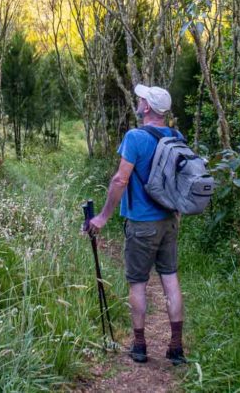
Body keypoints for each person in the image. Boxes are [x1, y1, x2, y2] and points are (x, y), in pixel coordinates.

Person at [85, 84, 186, 365]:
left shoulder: (135, 137)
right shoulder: (177, 136)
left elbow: (120, 179)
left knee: (138, 283)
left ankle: (139, 345)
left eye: (142, 99)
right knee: (170, 280)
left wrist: (102, 217)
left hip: (141, 223)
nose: (138, 100)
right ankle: (176, 347)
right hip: (169, 220)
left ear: (148, 108)